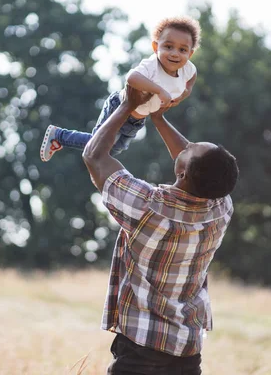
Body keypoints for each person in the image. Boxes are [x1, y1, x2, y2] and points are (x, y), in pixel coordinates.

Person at [81, 84, 239, 375]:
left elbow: (94, 156)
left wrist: (128, 105)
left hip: (141, 349)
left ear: (182, 173)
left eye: (191, 148)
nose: (186, 145)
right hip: (188, 349)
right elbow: (197, 168)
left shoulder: (146, 206)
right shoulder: (221, 208)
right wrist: (158, 118)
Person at [40, 16, 200, 161]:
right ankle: (59, 135)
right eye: (168, 46)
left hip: (138, 119)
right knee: (98, 145)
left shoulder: (188, 69)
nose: (175, 54)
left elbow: (192, 77)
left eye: (182, 50)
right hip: (119, 107)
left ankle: (60, 137)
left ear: (190, 54)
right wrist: (159, 91)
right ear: (155, 47)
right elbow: (132, 78)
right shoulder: (152, 66)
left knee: (114, 149)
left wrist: (186, 92)